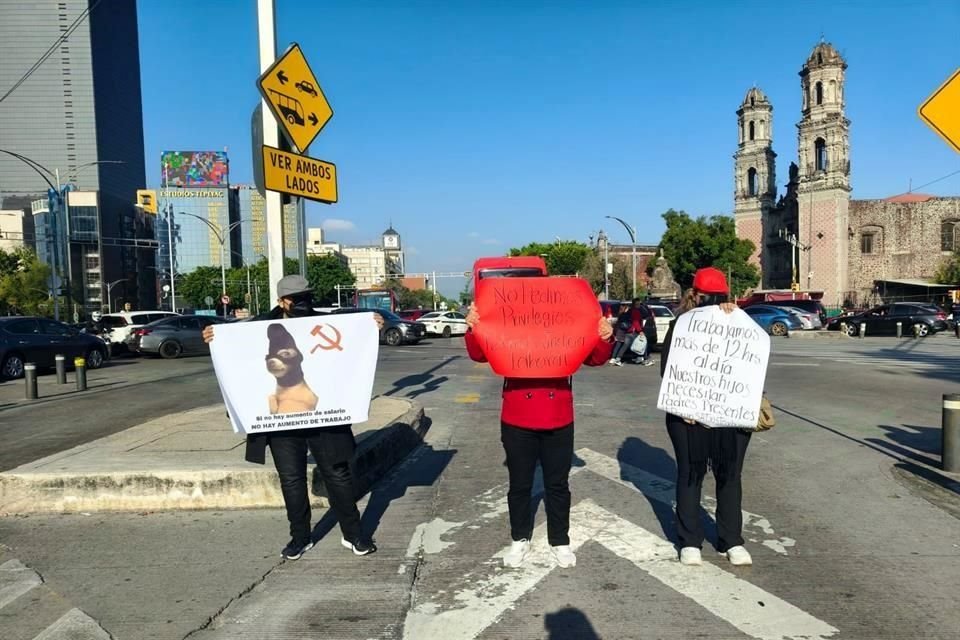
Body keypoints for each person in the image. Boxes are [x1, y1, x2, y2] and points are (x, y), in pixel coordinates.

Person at [203, 274, 382, 561]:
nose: (303, 304)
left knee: (337, 474)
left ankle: (353, 535)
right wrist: (214, 337)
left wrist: (371, 326)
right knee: (291, 479)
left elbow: (351, 344)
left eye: (307, 298)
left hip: (323, 418)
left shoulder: (325, 325)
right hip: (279, 421)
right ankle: (300, 537)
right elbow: (236, 357)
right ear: (281, 302)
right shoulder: (256, 327)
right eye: (295, 300)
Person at [464, 300, 614, 569]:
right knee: (520, 484)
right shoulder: (508, 320)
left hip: (558, 414)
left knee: (558, 484)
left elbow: (596, 358)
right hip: (518, 414)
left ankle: (560, 540)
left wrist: (604, 336)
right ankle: (519, 538)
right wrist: (474, 327)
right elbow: (479, 354)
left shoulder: (564, 321)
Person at [659, 268, 754, 567]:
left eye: (719, 298)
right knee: (691, 474)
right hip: (688, 417)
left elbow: (750, 365)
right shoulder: (680, 326)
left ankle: (731, 540)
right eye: (707, 297)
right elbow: (668, 371)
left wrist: (734, 317)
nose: (713, 302)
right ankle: (689, 541)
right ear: (694, 295)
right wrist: (685, 406)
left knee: (730, 475)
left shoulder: (739, 323)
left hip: (729, 416)